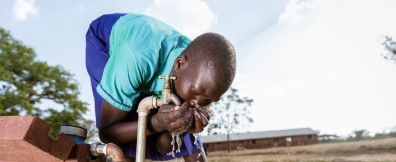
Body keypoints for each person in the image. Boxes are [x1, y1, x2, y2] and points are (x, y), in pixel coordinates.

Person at [85, 13, 236, 162]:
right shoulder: (135, 59)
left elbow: (162, 147)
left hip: (152, 67)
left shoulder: (196, 74)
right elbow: (108, 133)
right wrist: (157, 122)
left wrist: (181, 129)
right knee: (126, 147)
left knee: (189, 135)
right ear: (179, 64)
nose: (197, 102)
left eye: (209, 100)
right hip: (106, 44)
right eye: (196, 92)